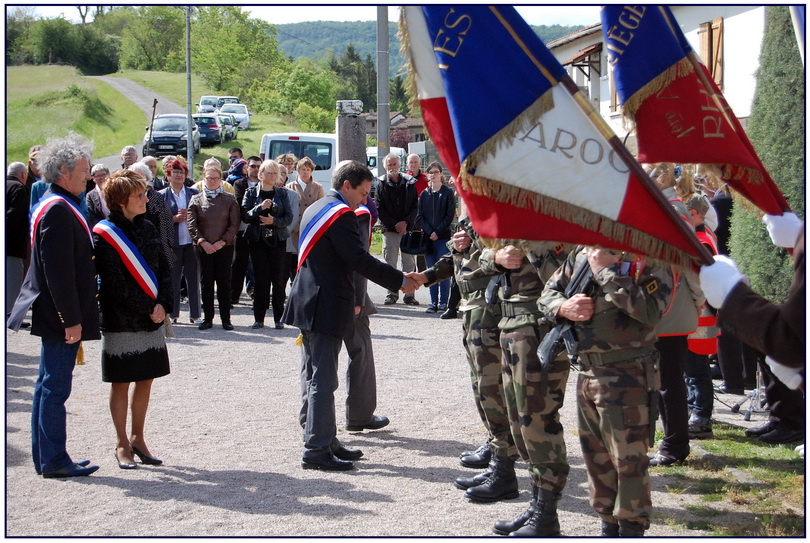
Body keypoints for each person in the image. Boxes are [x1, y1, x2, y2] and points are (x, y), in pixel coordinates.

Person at [282, 160, 419, 471]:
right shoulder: (341, 214)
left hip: (309, 301)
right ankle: (316, 449)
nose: (364, 199)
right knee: (323, 380)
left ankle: (326, 440)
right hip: (324, 304)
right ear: (346, 186)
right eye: (363, 191)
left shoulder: (318, 207)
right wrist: (400, 280)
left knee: (315, 374)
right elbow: (359, 259)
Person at [539, 246, 673, 537]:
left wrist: (605, 272)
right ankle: (608, 525)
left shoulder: (651, 256)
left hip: (628, 373)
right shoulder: (582, 253)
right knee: (595, 456)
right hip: (588, 371)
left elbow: (651, 311)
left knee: (628, 458)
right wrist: (563, 308)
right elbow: (547, 294)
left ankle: (631, 527)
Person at [8, 132, 100, 478]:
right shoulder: (59, 209)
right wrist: (70, 320)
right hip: (60, 315)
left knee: (47, 385)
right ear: (62, 170)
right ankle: (55, 459)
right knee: (55, 388)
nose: (88, 174)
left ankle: (47, 457)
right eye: (83, 169)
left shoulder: (54, 202)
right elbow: (58, 273)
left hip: (54, 312)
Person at [477, 240, 571, 536]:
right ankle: (537, 504)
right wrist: (497, 256)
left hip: (539, 330)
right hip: (511, 324)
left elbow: (569, 278)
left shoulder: (557, 229)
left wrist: (534, 247)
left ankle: (546, 514)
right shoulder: (515, 225)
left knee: (537, 422)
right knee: (519, 423)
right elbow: (482, 257)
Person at [700, 212, 805, 445]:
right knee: (768, 365)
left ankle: (793, 422)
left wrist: (732, 295)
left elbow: (790, 344)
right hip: (766, 306)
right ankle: (779, 416)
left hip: (777, 309)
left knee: (782, 357)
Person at [93, 170, 173, 469]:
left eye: (144, 193)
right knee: (121, 382)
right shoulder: (105, 233)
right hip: (121, 318)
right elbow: (113, 285)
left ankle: (139, 438)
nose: (145, 199)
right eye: (138, 195)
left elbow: (164, 268)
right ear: (121, 201)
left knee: (146, 379)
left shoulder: (149, 226)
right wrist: (148, 307)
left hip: (152, 316)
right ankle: (121, 443)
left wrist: (164, 303)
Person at [647, 162, 703, 467]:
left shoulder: (675, 209)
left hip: (671, 307)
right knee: (660, 381)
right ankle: (668, 440)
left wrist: (697, 300)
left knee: (669, 383)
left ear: (663, 176)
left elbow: (691, 261)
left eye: (649, 171)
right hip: (660, 306)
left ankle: (675, 446)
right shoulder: (662, 207)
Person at [241, 160, 294, 329]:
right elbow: (245, 216)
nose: (272, 176)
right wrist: (259, 208)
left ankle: (279, 318)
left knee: (278, 280)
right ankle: (259, 318)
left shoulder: (282, 193)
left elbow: (288, 218)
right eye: (268, 172)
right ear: (261, 174)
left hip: (277, 241)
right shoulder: (250, 193)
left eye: (274, 173)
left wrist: (274, 221)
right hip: (258, 242)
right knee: (260, 280)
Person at [188, 165, 240, 330]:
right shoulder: (196, 199)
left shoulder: (230, 199)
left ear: (220, 180)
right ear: (204, 178)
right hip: (204, 247)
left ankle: (226, 319)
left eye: (215, 178)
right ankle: (208, 318)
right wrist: (202, 241)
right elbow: (191, 224)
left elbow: (234, 224)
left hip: (224, 246)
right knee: (206, 282)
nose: (211, 181)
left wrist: (222, 241)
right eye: (209, 178)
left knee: (224, 282)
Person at [159, 158, 202, 325]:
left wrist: (190, 217)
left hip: (191, 243)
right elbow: (158, 221)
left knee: (193, 279)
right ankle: (173, 313)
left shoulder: (193, 193)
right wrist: (173, 219)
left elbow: (202, 216)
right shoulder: (161, 195)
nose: (178, 175)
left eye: (181, 172)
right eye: (174, 172)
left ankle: (195, 315)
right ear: (168, 176)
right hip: (172, 244)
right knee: (173, 280)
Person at [375, 152, 419, 306]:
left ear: (399, 165)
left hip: (407, 229)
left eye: (394, 164)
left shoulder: (410, 182)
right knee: (390, 263)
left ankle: (410, 295)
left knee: (409, 263)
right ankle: (391, 294)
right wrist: (395, 224)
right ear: (385, 167)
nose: (392, 167)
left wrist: (406, 222)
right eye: (389, 165)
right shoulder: (381, 183)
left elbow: (415, 206)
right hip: (390, 229)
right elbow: (379, 208)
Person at [417, 161, 455, 313]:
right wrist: (429, 231)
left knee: (442, 270)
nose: (433, 175)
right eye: (430, 172)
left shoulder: (447, 192)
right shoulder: (424, 194)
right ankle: (433, 302)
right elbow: (420, 216)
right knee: (430, 270)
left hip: (443, 237)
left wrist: (437, 232)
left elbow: (449, 215)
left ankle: (443, 302)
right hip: (428, 238)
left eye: (435, 172)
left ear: (441, 174)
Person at [129, 162, 175, 271]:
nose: (140, 180)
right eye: (136, 177)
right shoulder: (128, 199)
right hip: (135, 248)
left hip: (158, 246)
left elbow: (167, 222)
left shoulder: (157, 197)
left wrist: (168, 245)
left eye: (142, 177)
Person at [286, 156, 324, 282]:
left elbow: (320, 209)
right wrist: (296, 227)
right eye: (303, 169)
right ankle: (294, 284)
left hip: (310, 228)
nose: (305, 172)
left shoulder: (318, 187)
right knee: (293, 260)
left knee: (309, 259)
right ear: (298, 170)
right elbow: (288, 209)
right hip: (294, 229)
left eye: (308, 169)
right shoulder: (289, 186)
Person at [230, 156, 261, 306]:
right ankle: (234, 295)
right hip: (242, 228)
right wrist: (257, 210)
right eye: (253, 166)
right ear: (247, 168)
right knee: (239, 263)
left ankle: (257, 294)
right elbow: (241, 204)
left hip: (260, 228)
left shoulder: (265, 184)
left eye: (258, 167)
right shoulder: (239, 184)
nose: (255, 169)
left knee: (257, 263)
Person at [6, 162, 29, 317]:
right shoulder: (18, 188)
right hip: (13, 244)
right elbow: (17, 214)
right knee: (13, 281)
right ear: (22, 175)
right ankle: (10, 314)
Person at [406, 153, 429, 272]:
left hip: (422, 216)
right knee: (409, 243)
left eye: (415, 162)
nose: (413, 164)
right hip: (409, 216)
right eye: (411, 162)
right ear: (407, 164)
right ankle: (411, 271)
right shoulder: (404, 179)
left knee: (421, 243)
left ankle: (422, 272)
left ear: (419, 164)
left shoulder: (426, 179)